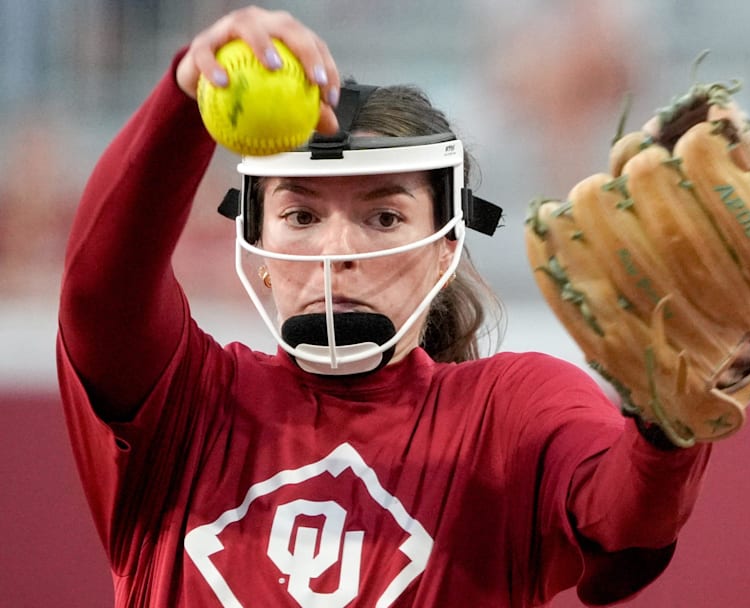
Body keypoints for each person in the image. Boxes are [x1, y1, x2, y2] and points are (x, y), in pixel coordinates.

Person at [57, 7, 715, 607]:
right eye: (302, 213)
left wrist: (669, 423)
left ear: (445, 249)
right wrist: (184, 92)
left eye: (383, 215)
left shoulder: (512, 410)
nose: (336, 248)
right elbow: (98, 292)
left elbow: (626, 520)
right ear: (258, 245)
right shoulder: (185, 403)